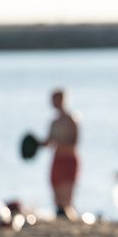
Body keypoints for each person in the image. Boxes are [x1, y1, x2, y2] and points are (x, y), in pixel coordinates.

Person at [42, 89, 80, 221]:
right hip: (57, 159)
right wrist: (36, 144)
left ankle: (70, 219)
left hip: (69, 159)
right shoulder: (54, 122)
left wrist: (58, 143)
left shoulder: (72, 119)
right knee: (56, 192)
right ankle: (60, 217)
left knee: (67, 195)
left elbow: (74, 142)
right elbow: (48, 142)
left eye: (57, 99)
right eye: (53, 99)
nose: (55, 102)